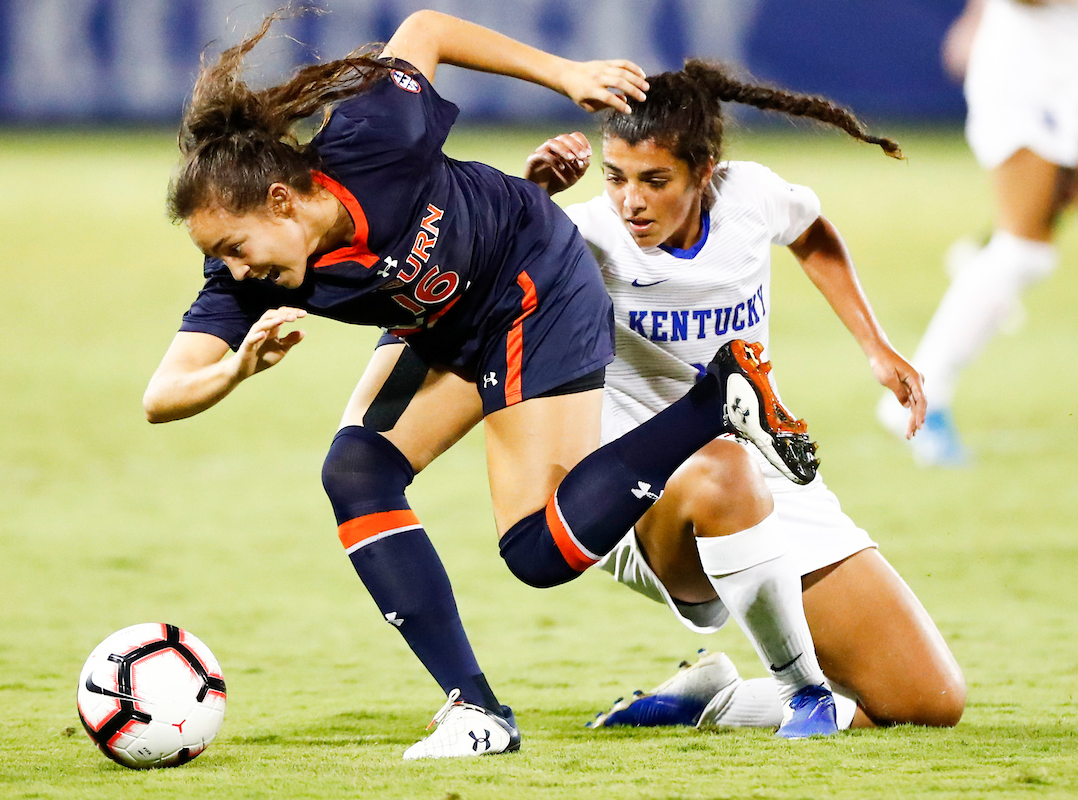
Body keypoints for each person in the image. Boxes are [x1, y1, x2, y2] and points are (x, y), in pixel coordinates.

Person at [144, 11, 820, 759]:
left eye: (235, 247)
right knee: (356, 471)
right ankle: (477, 710)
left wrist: (566, 74)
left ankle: (716, 398)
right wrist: (234, 368)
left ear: (280, 200)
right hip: (446, 324)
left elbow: (426, 28)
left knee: (536, 554)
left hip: (532, 277)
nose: (236, 270)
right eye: (220, 257)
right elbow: (161, 396)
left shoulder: (374, 135)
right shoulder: (246, 276)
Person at [523, 61, 966, 734]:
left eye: (654, 181)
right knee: (723, 468)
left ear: (705, 172)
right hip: (643, 498)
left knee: (927, 703)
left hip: (768, 476)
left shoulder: (751, 197)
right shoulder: (587, 236)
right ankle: (803, 693)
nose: (630, 202)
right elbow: (495, 273)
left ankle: (713, 702)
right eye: (615, 177)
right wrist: (532, 198)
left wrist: (876, 347)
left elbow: (811, 231)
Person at [878, 0, 1078, 466]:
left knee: (1024, 249)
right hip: (1029, 78)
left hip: (1063, 71)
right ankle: (916, 395)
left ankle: (980, 264)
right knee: (1024, 253)